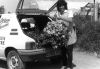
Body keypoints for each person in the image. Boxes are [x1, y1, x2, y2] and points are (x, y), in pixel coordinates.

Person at [50, 0, 77, 69]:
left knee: (69, 51)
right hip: (61, 34)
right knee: (63, 51)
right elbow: (56, 21)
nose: (61, 7)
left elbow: (71, 20)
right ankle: (64, 64)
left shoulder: (69, 12)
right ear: (58, 7)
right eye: (60, 6)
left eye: (63, 5)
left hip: (69, 34)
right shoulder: (58, 13)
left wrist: (61, 17)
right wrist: (54, 18)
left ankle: (70, 66)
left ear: (65, 5)